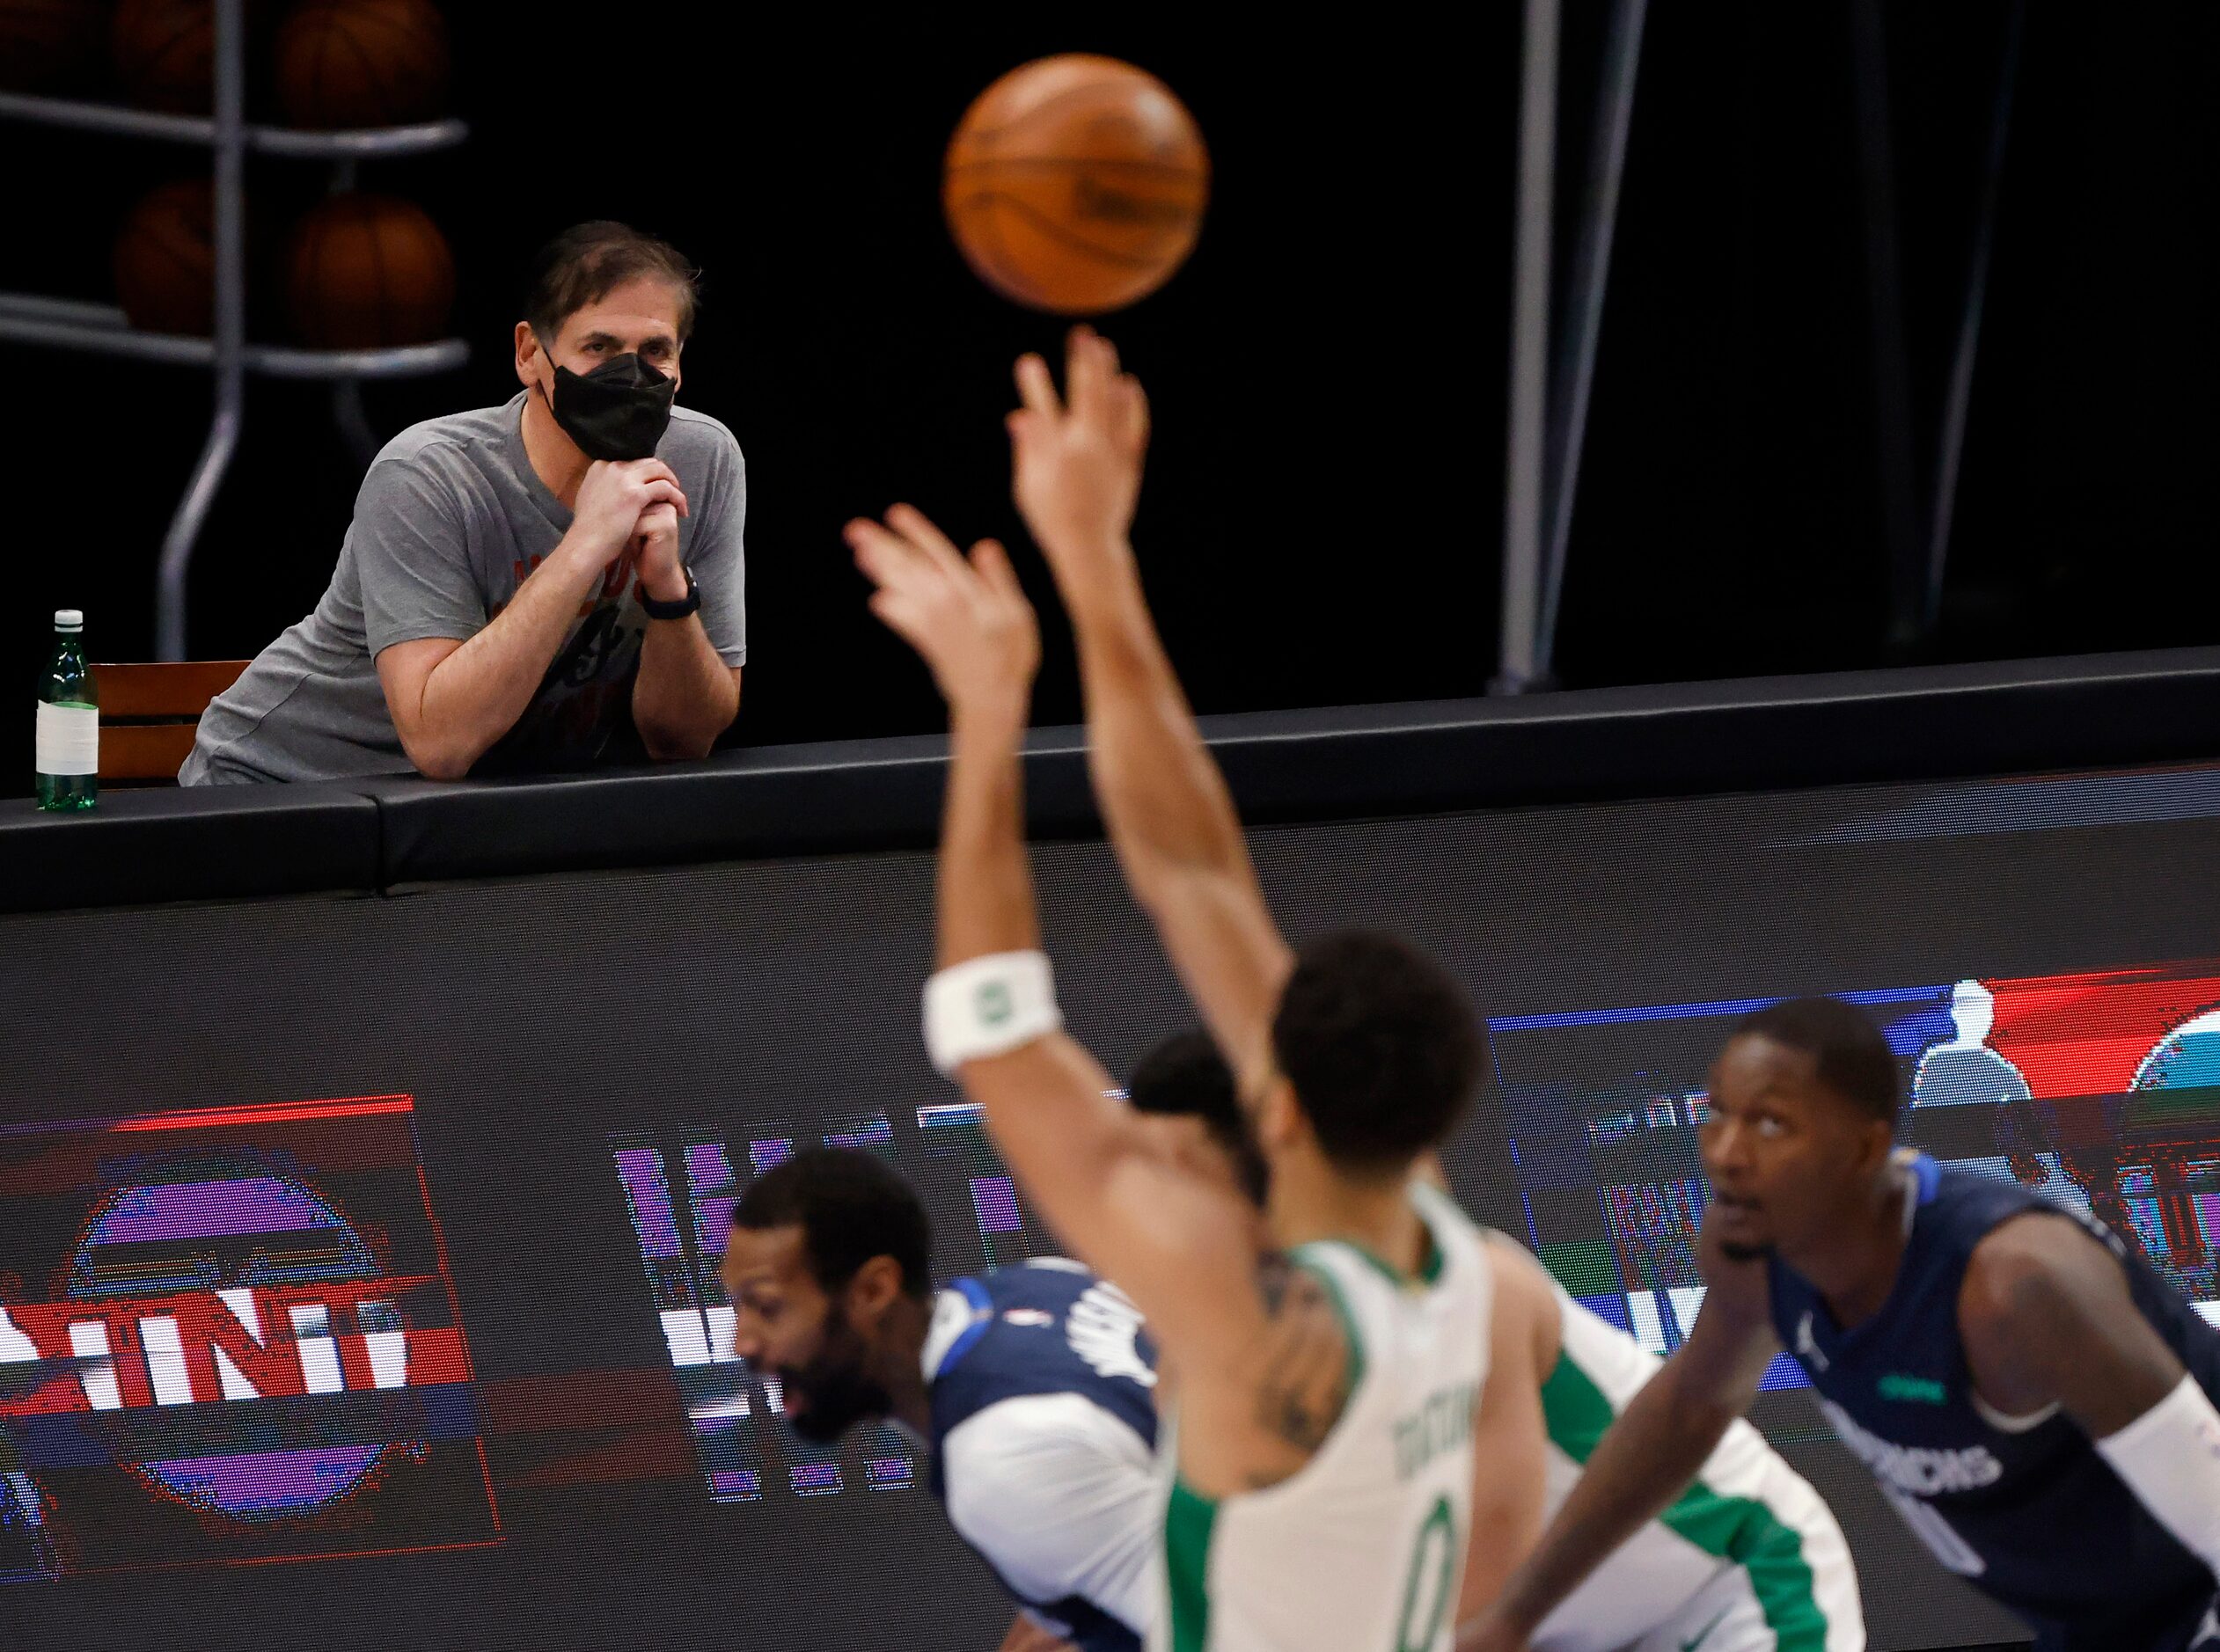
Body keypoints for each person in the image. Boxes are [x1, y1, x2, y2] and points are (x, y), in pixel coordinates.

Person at [847, 325, 1557, 1652]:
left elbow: (997, 1025)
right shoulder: (1456, 1256)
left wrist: (996, 701)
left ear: (1276, 1106)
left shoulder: (1239, 1336)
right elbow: (1189, 871)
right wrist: (1095, 567)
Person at [1466, 996, 2220, 1652]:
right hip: (2100, 1616)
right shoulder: (1749, 1252)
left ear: (1863, 1149)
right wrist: (1514, 1616)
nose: (1726, 1153)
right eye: (1718, 1115)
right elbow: (1686, 1413)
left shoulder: (2015, 1286)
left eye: (1768, 1123)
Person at [1140, 1034, 1865, 1652]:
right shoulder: (1192, 1372)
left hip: (1726, 1590)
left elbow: (1479, 1603)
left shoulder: (1461, 1293)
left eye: (1186, 1181)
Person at [181, 221, 744, 785]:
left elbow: (683, 742)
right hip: (277, 785)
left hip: (465, 811)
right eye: (598, 347)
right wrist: (583, 548)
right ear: (530, 354)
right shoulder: (427, 474)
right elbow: (441, 744)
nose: (630, 374)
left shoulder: (703, 460)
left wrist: (670, 592)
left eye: (655, 351)